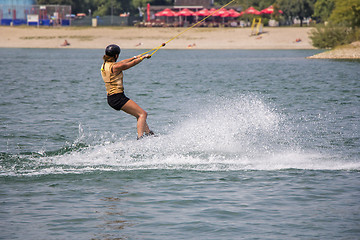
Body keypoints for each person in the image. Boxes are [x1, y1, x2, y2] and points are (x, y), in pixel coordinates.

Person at [101, 44, 154, 140]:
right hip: (117, 98)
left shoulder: (105, 65)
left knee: (139, 115)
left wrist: (136, 57)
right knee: (143, 114)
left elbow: (122, 62)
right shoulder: (115, 67)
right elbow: (128, 64)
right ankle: (140, 139)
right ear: (116, 55)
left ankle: (149, 133)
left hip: (112, 98)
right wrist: (142, 58)